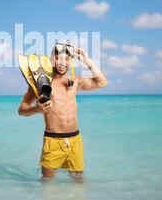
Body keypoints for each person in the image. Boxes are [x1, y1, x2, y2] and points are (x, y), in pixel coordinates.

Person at [18, 45, 109, 181]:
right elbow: (21, 110)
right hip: (53, 141)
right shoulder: (42, 84)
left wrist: (87, 60)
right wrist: (36, 109)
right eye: (58, 58)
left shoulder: (75, 81)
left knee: (78, 183)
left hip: (75, 141)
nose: (62, 63)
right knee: (47, 184)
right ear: (51, 60)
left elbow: (102, 82)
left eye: (66, 59)